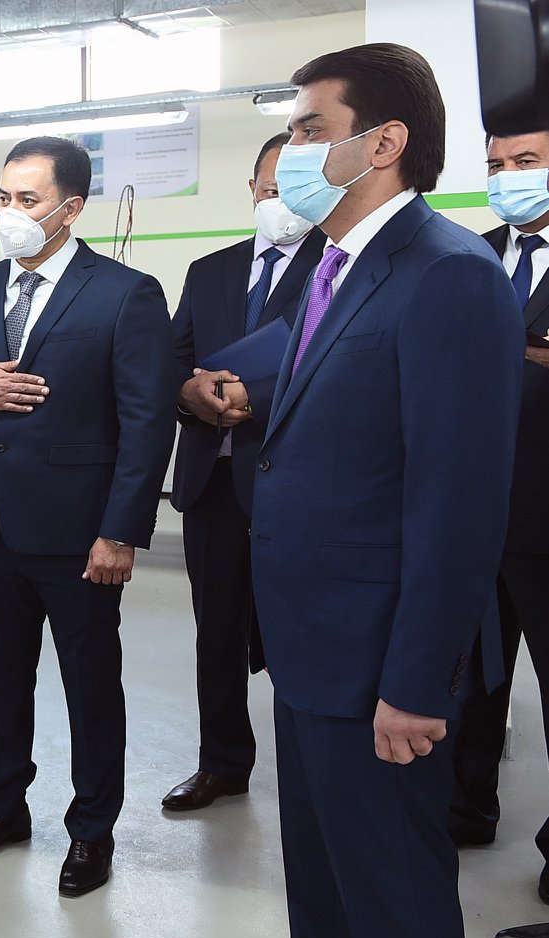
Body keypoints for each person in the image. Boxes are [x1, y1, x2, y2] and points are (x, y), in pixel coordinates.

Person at [200, 46, 519, 938]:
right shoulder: (333, 263)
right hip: (309, 637)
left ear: (381, 143)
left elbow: (455, 500)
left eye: (306, 128)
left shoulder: (447, 274)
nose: (289, 148)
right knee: (321, 860)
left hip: (382, 652)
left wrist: (418, 681)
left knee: (393, 881)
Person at [0, 136, 177, 897]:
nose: (11, 212)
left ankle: (91, 829)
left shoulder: (124, 293)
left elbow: (146, 421)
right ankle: (3, 808)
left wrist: (120, 531)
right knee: (1, 682)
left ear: (71, 207)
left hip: (79, 533)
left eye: (27, 199)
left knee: (90, 688)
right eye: (3, 197)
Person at [162, 133, 327, 812]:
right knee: (218, 633)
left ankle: (312, 771)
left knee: (300, 633)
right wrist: (187, 392)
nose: (278, 200)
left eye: (294, 187)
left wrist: (253, 398)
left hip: (295, 488)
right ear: (252, 189)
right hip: (212, 484)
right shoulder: (210, 271)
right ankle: (223, 762)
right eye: (269, 187)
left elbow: (337, 370)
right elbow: (171, 359)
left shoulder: (338, 266)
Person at [447, 129, 549, 877]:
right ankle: (463, 808)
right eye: (495, 165)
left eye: (526, 162)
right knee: (468, 677)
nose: (506, 177)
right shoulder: (466, 259)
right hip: (469, 513)